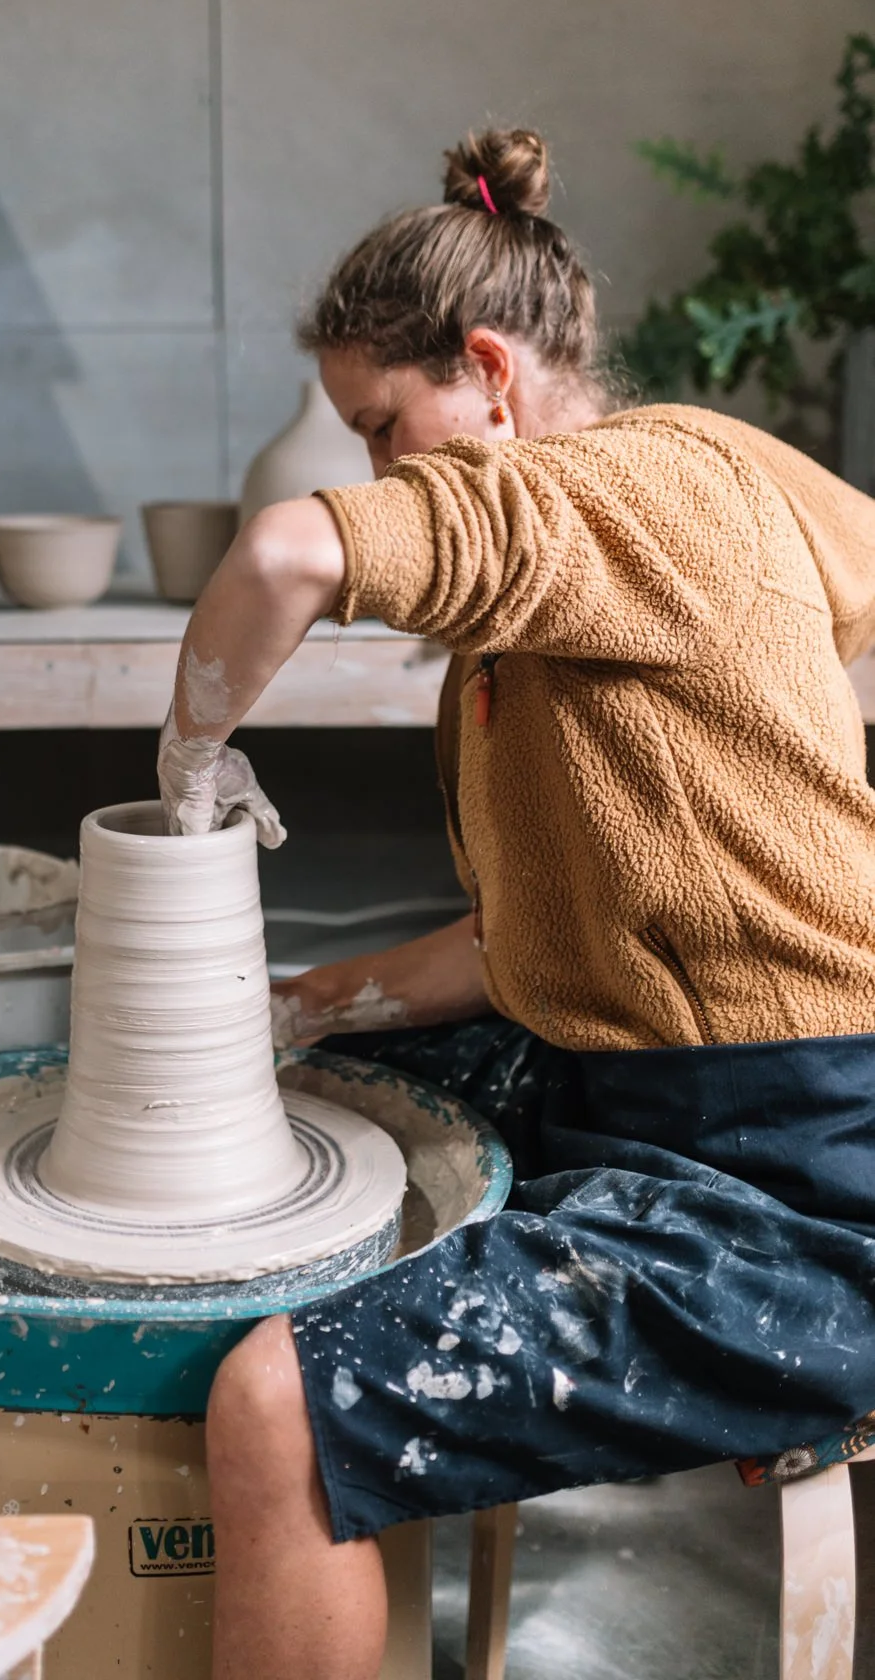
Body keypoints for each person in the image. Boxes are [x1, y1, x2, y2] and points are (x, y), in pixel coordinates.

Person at [156, 126, 875, 1680]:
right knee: (297, 1105)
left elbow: (284, 553)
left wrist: (191, 755)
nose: (372, 472)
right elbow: (521, 944)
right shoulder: (619, 540)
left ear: (487, 370)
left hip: (805, 1186)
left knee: (274, 1399)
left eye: (382, 426)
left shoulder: (631, 496)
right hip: (634, 1093)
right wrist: (282, 1009)